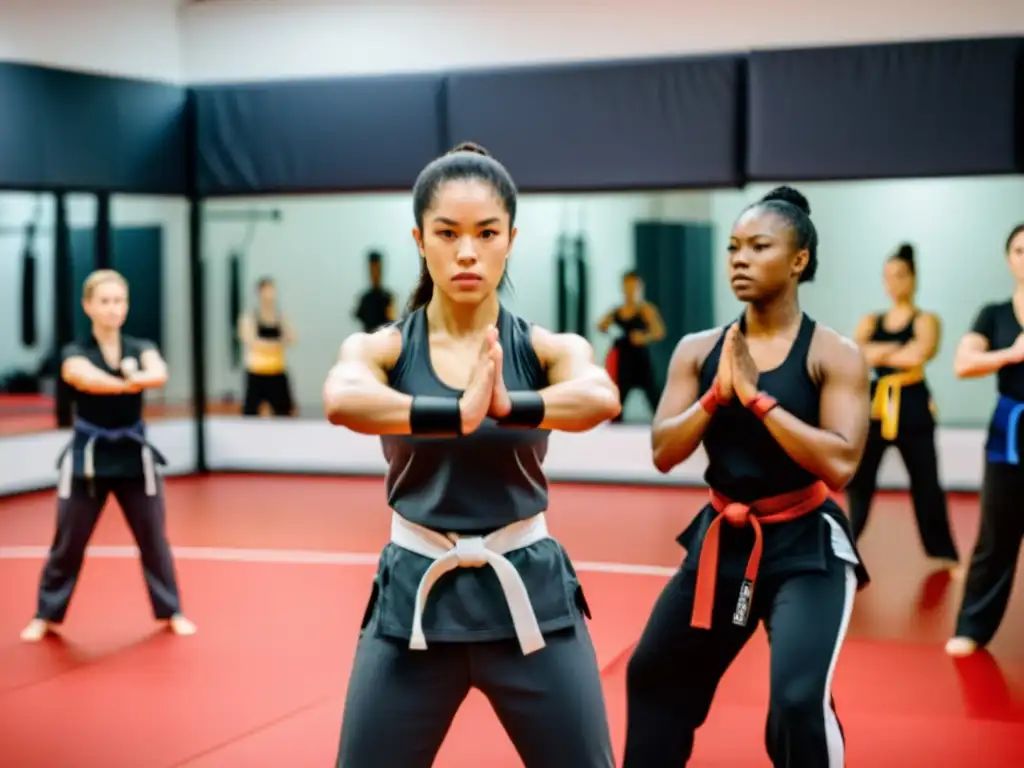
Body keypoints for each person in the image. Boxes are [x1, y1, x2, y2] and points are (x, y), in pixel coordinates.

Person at [323, 141, 620, 768]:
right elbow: (342, 398)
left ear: (511, 238)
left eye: (486, 233)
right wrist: (455, 415)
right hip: (414, 599)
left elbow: (600, 395)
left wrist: (514, 406)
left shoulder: (542, 347)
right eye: (447, 232)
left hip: (529, 597)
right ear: (419, 238)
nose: (466, 251)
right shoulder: (383, 348)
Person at [623, 187, 871, 767]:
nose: (739, 258)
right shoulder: (699, 349)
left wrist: (759, 400)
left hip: (806, 547)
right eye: (734, 247)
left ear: (798, 260)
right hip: (723, 545)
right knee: (654, 675)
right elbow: (663, 451)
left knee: (795, 701)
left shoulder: (834, 354)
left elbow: (838, 464)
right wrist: (715, 396)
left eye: (759, 246)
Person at [21, 270, 195, 642]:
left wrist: (137, 379)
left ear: (127, 306)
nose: (113, 308)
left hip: (134, 456)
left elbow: (159, 373)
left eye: (119, 301)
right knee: (69, 539)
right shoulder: (75, 350)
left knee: (153, 538)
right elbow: (82, 377)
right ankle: (46, 613)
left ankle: (171, 610)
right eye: (105, 301)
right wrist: (129, 382)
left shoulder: (140, 345)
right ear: (88, 306)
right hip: (90, 457)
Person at [846, 244, 959, 567]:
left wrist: (877, 351)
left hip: (912, 404)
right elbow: (855, 352)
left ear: (913, 279)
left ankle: (943, 554)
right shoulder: (872, 318)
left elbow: (919, 354)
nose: (892, 283)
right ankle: (845, 549)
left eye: (899, 276)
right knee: (860, 481)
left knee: (926, 482)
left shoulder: (926, 320)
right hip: (876, 404)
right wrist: (895, 350)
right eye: (887, 277)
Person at [945, 223, 1024, 658]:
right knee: (996, 534)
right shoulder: (993, 313)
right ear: (1008, 258)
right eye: (1019, 249)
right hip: (1009, 433)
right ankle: (972, 626)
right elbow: (963, 362)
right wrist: (1012, 353)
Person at [598, 270, 666, 421]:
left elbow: (659, 331)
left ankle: (664, 422)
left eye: (633, 287)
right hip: (623, 357)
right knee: (618, 394)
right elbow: (601, 325)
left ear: (639, 288)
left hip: (640, 357)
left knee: (652, 392)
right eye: (627, 286)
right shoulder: (617, 310)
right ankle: (614, 427)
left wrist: (644, 337)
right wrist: (608, 330)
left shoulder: (645, 310)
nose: (630, 290)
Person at [238, 276, 296, 417]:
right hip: (257, 371)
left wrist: (276, 342)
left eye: (273, 290)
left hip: (277, 371)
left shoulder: (280, 317)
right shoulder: (250, 317)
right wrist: (277, 343)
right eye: (267, 290)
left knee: (285, 413)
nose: (271, 294)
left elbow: (293, 338)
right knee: (250, 414)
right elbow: (251, 341)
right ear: (260, 292)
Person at [353, 250, 396, 332]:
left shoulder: (387, 297)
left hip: (383, 340)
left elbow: (392, 320)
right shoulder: (365, 299)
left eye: (377, 269)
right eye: (372, 270)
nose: (375, 274)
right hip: (368, 339)